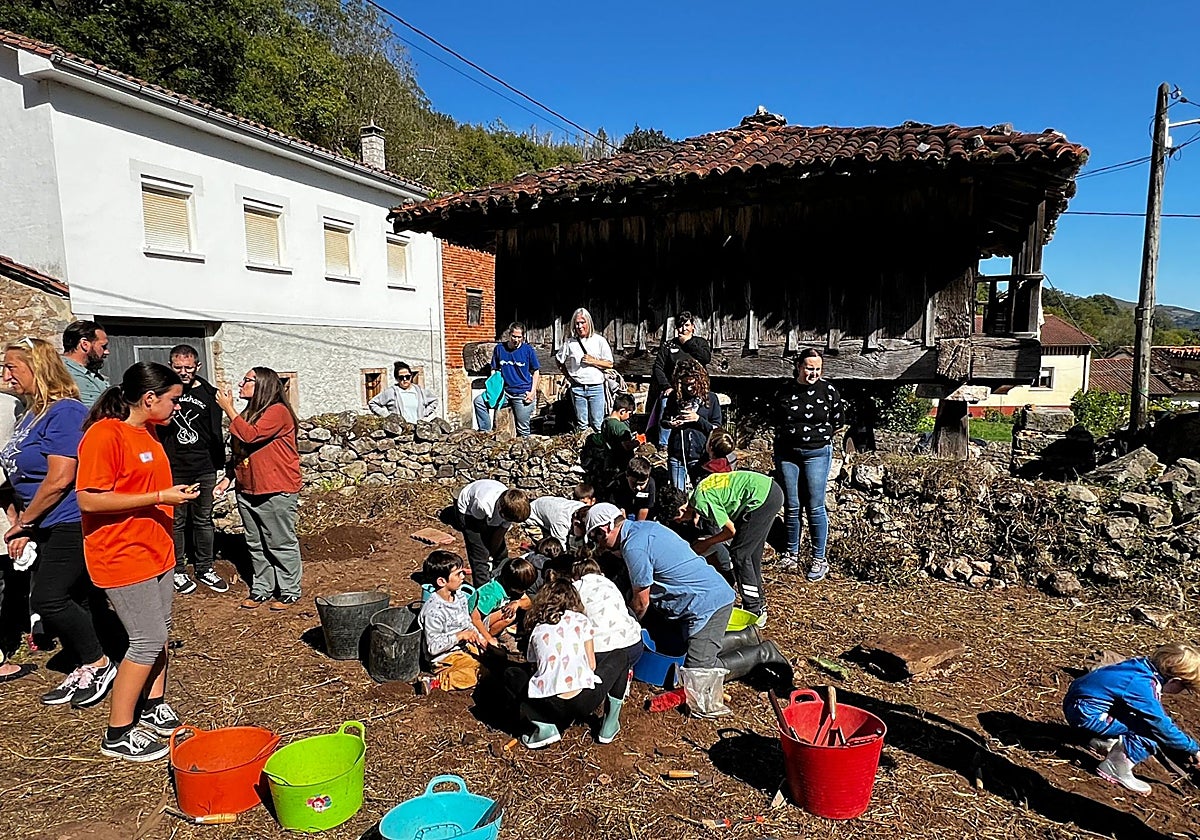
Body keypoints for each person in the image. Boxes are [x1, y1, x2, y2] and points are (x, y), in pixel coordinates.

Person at [76, 362, 199, 761]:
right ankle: (118, 732)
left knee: (159, 632)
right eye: (173, 400)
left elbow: (146, 485)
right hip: (122, 555)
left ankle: (153, 703)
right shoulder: (104, 435)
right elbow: (89, 498)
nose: (177, 407)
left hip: (156, 551)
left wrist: (166, 494)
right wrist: (160, 497)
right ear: (149, 398)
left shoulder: (146, 432)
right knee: (145, 640)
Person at [1, 338, 115, 704]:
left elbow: (60, 476)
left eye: (12, 368)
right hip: (45, 521)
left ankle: (99, 663)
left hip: (69, 518)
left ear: (38, 368)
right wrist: (21, 516)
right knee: (76, 597)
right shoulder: (30, 412)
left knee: (48, 599)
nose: (6, 375)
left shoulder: (64, 411)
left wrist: (25, 523)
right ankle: (87, 662)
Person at [585, 503, 735, 670]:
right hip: (704, 596)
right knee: (694, 646)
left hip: (706, 604)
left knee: (697, 671)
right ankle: (745, 637)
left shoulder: (634, 547)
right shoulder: (646, 527)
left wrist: (627, 629)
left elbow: (641, 603)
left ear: (605, 529)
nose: (598, 545)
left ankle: (763, 653)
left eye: (595, 537)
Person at [216, 368, 303, 610]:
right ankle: (262, 588)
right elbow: (240, 451)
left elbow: (250, 436)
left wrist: (228, 408)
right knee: (255, 543)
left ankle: (289, 590)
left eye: (247, 380)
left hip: (275, 488)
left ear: (263, 385)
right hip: (248, 488)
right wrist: (229, 478)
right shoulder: (250, 413)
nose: (241, 384)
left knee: (279, 542)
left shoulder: (277, 412)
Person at [1063, 643, 1200, 795]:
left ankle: (1099, 740)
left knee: (1135, 715)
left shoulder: (1139, 666)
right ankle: (1116, 767)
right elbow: (1160, 724)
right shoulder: (1142, 685)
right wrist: (1193, 749)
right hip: (1088, 715)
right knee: (1151, 730)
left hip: (1077, 705)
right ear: (1174, 680)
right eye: (1184, 688)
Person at [519, 579, 627, 749]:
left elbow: (535, 668)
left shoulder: (538, 629)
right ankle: (609, 726)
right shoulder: (581, 621)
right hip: (584, 701)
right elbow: (591, 665)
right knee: (621, 656)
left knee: (512, 674)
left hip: (549, 703)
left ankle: (544, 726)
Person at [159, 345, 227, 595]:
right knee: (176, 521)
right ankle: (177, 569)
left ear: (198, 367)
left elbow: (215, 431)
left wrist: (218, 465)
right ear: (170, 366)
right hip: (174, 467)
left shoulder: (210, 394)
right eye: (178, 367)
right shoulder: (162, 392)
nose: (184, 372)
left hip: (203, 467)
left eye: (188, 367)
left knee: (203, 520)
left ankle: (205, 567)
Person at [679, 469, 784, 627]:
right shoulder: (698, 492)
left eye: (678, 519)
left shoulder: (702, 501)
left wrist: (707, 543)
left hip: (761, 499)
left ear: (682, 509)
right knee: (751, 554)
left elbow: (731, 531)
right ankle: (759, 603)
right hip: (770, 491)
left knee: (739, 554)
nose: (680, 522)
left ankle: (753, 609)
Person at [773, 348, 842, 582]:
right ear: (799, 367)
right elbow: (774, 418)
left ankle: (819, 558)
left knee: (815, 505)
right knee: (792, 506)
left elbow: (838, 420)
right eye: (809, 368)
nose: (813, 373)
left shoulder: (829, 391)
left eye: (817, 369)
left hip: (817, 452)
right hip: (787, 453)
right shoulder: (784, 390)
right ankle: (791, 553)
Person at [418, 550, 492, 690]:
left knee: (492, 661)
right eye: (458, 574)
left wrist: (480, 638)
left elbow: (466, 622)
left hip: (462, 648)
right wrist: (460, 636)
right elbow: (433, 647)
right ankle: (437, 681)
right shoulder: (433, 611)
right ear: (442, 581)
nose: (463, 577)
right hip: (444, 658)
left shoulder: (460, 597)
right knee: (479, 673)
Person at [449, 479, 530, 586]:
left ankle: (501, 580)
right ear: (501, 511)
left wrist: (494, 551)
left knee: (501, 553)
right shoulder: (483, 504)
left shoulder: (512, 506)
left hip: (492, 512)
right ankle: (483, 590)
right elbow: (479, 529)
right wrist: (486, 552)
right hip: (470, 514)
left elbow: (500, 533)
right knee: (480, 554)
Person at [650, 312, 712, 448]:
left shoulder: (700, 343)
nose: (683, 329)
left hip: (696, 388)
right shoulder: (668, 346)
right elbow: (658, 368)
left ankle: (701, 440)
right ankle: (663, 444)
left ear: (693, 327)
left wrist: (688, 342)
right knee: (665, 402)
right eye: (680, 326)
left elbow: (706, 358)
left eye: (687, 325)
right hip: (675, 388)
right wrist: (666, 386)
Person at [662, 360, 722, 491]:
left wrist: (698, 419)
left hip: (700, 456)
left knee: (703, 494)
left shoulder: (711, 399)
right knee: (677, 496)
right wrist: (670, 423)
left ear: (700, 381)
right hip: (677, 455)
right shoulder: (675, 397)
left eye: (692, 384)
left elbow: (717, 429)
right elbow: (663, 420)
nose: (688, 388)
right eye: (685, 384)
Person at [474, 322, 541, 437]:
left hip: (522, 393)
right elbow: (494, 369)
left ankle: (523, 451)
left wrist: (532, 392)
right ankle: (485, 433)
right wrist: (493, 389)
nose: (516, 339)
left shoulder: (528, 350)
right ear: (509, 335)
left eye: (519, 337)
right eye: (514, 336)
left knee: (523, 430)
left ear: (523, 337)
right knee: (479, 402)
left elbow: (536, 371)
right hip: (504, 392)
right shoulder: (500, 349)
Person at [555, 308, 614, 432]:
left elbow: (609, 364)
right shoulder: (570, 343)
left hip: (596, 387)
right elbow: (559, 360)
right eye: (577, 323)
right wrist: (568, 376)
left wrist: (593, 361)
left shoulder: (599, 341)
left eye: (583, 322)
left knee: (597, 423)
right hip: (577, 387)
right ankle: (584, 448)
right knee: (582, 424)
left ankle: (598, 449)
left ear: (589, 322)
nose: (580, 326)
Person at [469, 556, 537, 638]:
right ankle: (487, 637)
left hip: (486, 618)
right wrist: (488, 639)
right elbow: (475, 618)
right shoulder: (493, 594)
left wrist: (517, 603)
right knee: (509, 616)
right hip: (473, 622)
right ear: (515, 587)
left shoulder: (508, 585)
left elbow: (528, 603)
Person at [581, 393, 637, 491]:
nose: (630, 416)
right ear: (622, 411)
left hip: (609, 461)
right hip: (620, 465)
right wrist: (639, 441)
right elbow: (626, 446)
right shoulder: (620, 427)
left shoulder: (606, 422)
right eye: (630, 413)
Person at [60, 320, 110, 408]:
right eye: (103, 346)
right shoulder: (60, 374)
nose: (107, 352)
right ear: (84, 344)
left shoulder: (93, 375)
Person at [368, 361, 438, 423]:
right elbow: (372, 403)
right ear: (396, 378)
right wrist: (387, 415)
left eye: (407, 377)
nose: (404, 380)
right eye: (401, 377)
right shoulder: (391, 392)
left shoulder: (420, 391)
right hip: (400, 431)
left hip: (417, 429)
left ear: (411, 376)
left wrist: (424, 413)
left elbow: (434, 400)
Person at [611, 457, 656, 522]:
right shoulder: (619, 483)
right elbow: (620, 508)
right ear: (627, 476)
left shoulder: (650, 484)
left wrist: (637, 526)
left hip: (641, 509)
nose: (638, 487)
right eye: (634, 483)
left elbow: (645, 507)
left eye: (642, 484)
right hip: (625, 508)